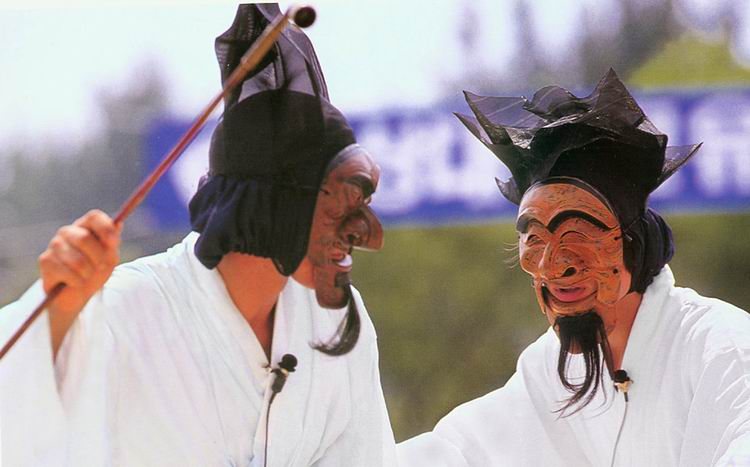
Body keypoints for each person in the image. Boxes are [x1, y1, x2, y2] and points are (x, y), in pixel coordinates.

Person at [0, 4, 395, 466]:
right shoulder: (126, 310)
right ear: (272, 206)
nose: (361, 232)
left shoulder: (338, 322)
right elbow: (18, 403)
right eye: (335, 208)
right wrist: (60, 310)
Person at [397, 70, 750, 466]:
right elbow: (454, 453)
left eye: (578, 235)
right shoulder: (549, 370)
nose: (553, 266)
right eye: (534, 240)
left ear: (633, 244)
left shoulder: (724, 349)